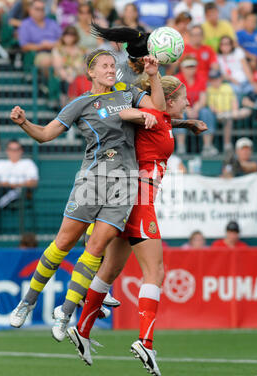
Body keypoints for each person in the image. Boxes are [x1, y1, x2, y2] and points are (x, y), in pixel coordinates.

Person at [9, 46, 166, 334]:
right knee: (63, 244)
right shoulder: (80, 103)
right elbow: (45, 135)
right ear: (90, 72)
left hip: (125, 184)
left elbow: (158, 109)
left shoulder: (128, 92)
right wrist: (24, 123)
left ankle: (65, 315)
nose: (110, 69)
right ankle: (27, 301)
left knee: (95, 248)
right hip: (92, 180)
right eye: (104, 66)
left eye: (112, 65)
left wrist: (153, 76)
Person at [65, 74, 207, 376]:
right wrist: (153, 76)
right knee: (155, 272)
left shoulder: (161, 119)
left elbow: (162, 119)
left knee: (111, 269)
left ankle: (82, 329)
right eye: (184, 98)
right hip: (140, 196)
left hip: (128, 196)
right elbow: (134, 115)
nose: (189, 102)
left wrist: (188, 123)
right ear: (168, 100)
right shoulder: (151, 115)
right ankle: (145, 341)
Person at [175, 56, 218, 156]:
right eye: (188, 67)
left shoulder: (201, 79)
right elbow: (178, 99)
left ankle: (207, 146)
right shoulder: (177, 79)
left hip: (197, 108)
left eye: (193, 66)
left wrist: (195, 109)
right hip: (182, 107)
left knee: (206, 112)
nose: (190, 69)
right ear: (182, 67)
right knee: (179, 114)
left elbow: (203, 98)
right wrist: (188, 110)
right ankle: (181, 146)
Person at [0, 140, 39, 210]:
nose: (14, 152)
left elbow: (33, 183)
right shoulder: (0, 163)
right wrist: (3, 184)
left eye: (16, 149)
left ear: (21, 151)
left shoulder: (28, 163)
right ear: (7, 151)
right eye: (11, 149)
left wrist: (11, 185)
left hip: (17, 192)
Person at [206, 69, 251, 152]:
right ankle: (227, 145)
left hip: (230, 113)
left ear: (220, 79)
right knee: (228, 120)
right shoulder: (209, 89)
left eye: (216, 79)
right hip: (218, 115)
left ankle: (231, 115)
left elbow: (234, 101)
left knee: (246, 111)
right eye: (212, 79)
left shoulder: (227, 87)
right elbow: (211, 106)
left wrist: (234, 111)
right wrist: (220, 112)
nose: (214, 81)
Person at [18, 0, 62, 71]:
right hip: (38, 54)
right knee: (48, 61)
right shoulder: (25, 25)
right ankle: (55, 81)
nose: (40, 12)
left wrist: (52, 45)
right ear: (30, 10)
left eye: (42, 9)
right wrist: (41, 46)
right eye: (37, 9)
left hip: (57, 51)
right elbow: (24, 46)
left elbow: (63, 39)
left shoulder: (52, 22)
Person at [52, 25, 85, 107]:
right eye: (67, 35)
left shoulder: (81, 50)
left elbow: (83, 66)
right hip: (63, 78)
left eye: (71, 35)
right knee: (66, 83)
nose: (69, 37)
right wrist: (67, 77)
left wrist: (75, 76)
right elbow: (58, 67)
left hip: (78, 76)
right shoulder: (58, 49)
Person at [217, 35, 253, 99]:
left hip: (244, 81)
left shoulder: (238, 52)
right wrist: (232, 79)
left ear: (231, 45)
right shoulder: (218, 57)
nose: (225, 46)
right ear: (220, 46)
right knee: (236, 91)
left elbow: (246, 68)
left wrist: (252, 82)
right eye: (223, 44)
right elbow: (221, 74)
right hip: (230, 83)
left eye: (228, 44)